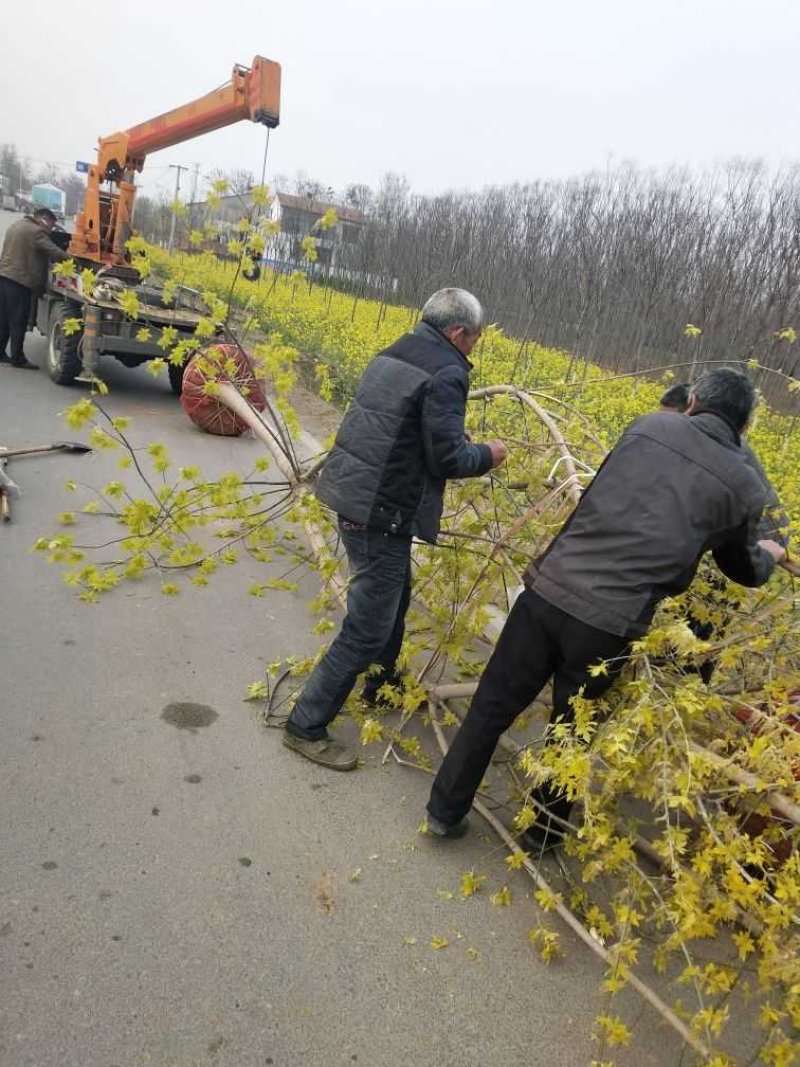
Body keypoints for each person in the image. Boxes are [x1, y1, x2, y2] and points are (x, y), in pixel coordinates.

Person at [426, 368, 787, 848]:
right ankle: (543, 834)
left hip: (548, 590)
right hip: (609, 623)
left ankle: (444, 811)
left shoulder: (645, 426)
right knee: (570, 731)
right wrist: (773, 554)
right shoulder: (744, 484)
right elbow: (742, 567)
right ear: (744, 429)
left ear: (694, 401)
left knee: (491, 706)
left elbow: (600, 499)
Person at [283, 288, 508, 771]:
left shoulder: (393, 353)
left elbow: (399, 427)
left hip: (352, 494)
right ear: (457, 332)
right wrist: (489, 453)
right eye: (475, 339)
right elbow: (447, 459)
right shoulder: (447, 371)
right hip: (378, 511)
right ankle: (305, 725)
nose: (474, 348)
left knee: (395, 593)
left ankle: (382, 684)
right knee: (366, 629)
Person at [0, 208, 70, 369]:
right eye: (51, 226)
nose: (51, 230)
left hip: (4, 277)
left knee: (3, 319)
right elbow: (53, 250)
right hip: (19, 281)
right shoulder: (37, 232)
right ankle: (18, 358)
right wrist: (72, 260)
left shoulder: (17, 224)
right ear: (44, 219)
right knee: (19, 320)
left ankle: (0, 352)